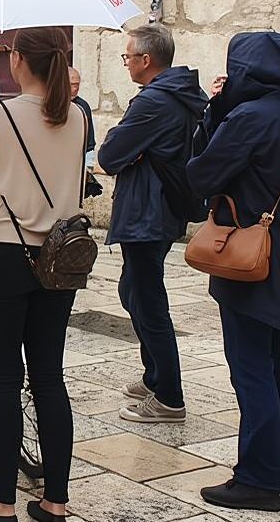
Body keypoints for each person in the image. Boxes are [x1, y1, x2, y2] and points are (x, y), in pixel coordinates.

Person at [0, 27, 86, 522]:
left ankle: (2, 501)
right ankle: (56, 500)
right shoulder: (77, 118)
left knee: (4, 378)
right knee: (50, 376)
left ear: (20, 61)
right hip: (59, 256)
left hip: (2, 252)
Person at [185, 31, 280, 512]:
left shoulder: (250, 115)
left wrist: (217, 114)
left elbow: (201, 173)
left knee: (251, 367)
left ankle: (258, 479)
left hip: (253, 254)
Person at [95, 23, 206, 424]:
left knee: (148, 301)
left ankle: (170, 396)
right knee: (132, 291)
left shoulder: (154, 102)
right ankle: (155, 374)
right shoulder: (180, 94)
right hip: (160, 209)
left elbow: (109, 155)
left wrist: (123, 147)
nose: (125, 63)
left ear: (146, 60)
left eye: (127, 56)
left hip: (147, 212)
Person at [67, 67, 96, 168]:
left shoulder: (83, 106)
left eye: (77, 85)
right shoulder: (50, 104)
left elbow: (89, 142)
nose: (75, 89)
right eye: (72, 85)